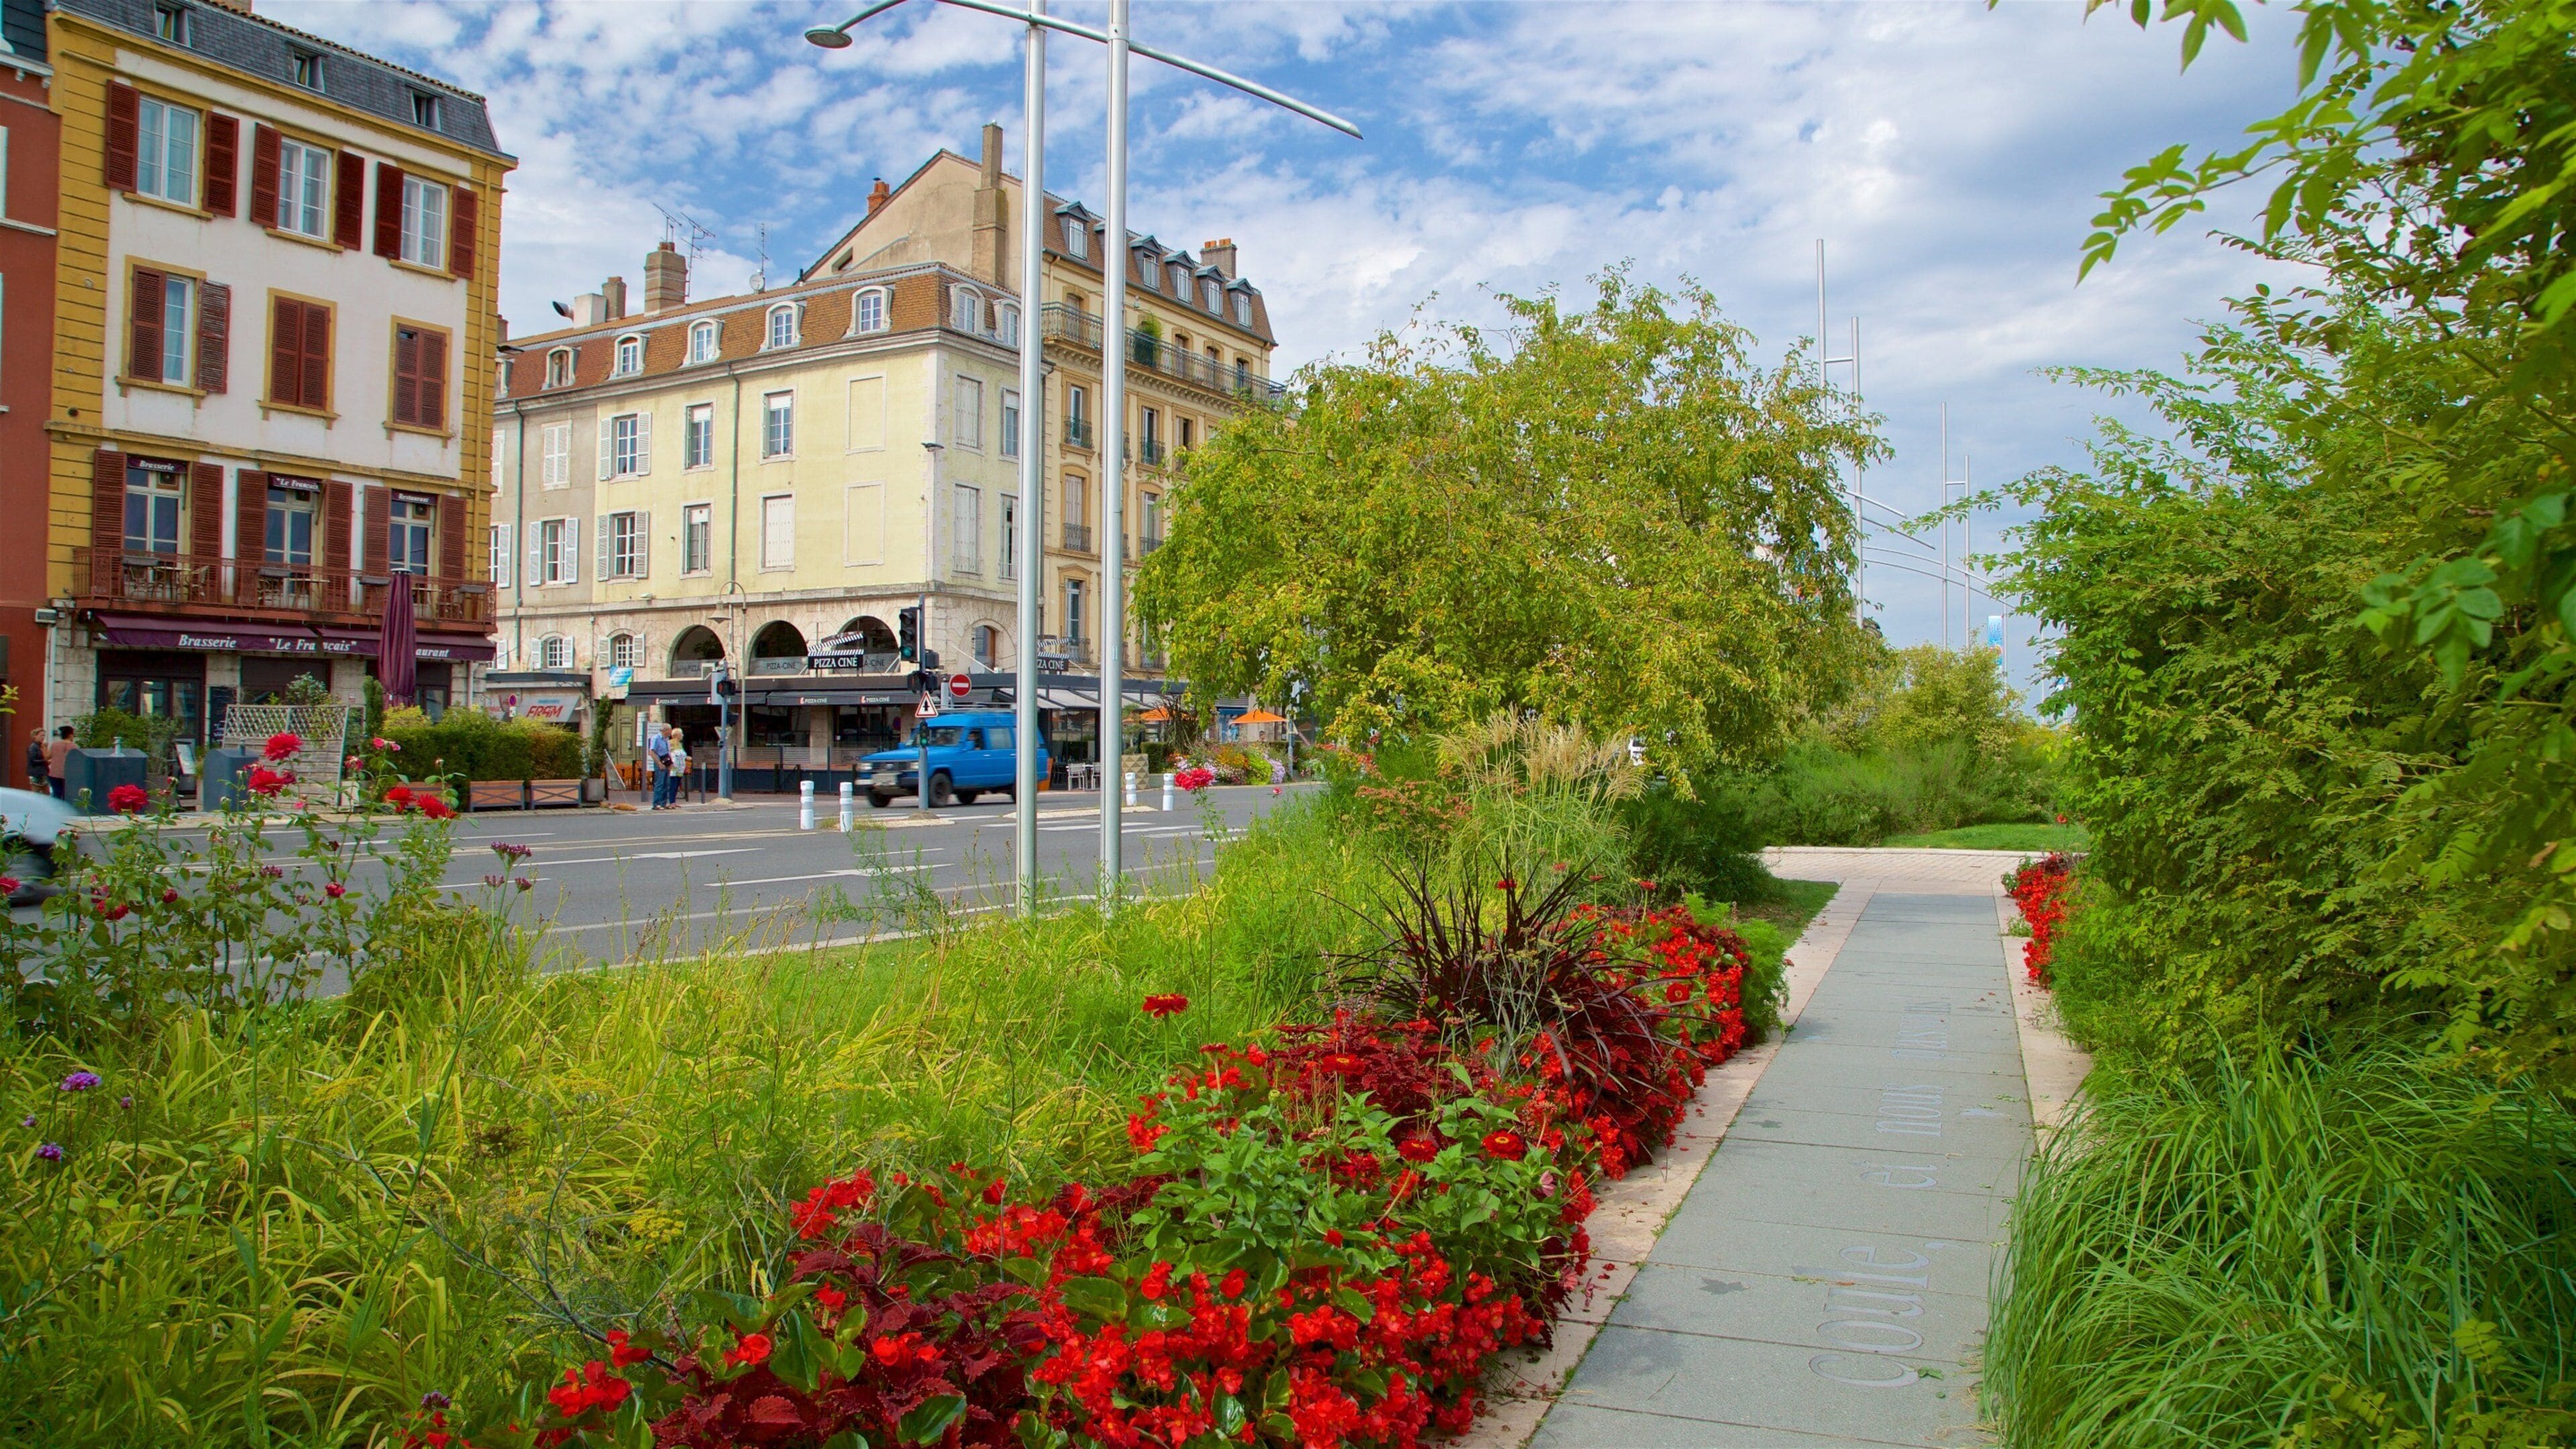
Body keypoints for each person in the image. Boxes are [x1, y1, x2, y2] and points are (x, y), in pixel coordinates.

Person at [645, 722, 672, 811]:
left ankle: (663, 803)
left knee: (666, 784)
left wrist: (670, 763)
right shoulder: (656, 738)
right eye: (669, 730)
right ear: (665, 730)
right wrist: (659, 763)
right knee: (659, 784)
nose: (670, 732)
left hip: (666, 761)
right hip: (659, 761)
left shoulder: (666, 739)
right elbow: (652, 752)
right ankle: (656, 804)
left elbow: (667, 751)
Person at [44, 725, 74, 800]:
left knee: (56, 795)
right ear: (70, 735)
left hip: (54, 774)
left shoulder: (55, 745)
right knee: (67, 796)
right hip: (68, 775)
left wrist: (44, 747)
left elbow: (47, 757)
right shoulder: (74, 747)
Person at [663, 727, 689, 808]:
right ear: (677, 735)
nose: (683, 735)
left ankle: (673, 801)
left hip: (680, 768)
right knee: (673, 785)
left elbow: (682, 755)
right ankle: (671, 802)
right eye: (681, 734)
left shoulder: (680, 744)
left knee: (677, 785)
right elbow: (668, 754)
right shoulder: (670, 743)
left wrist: (687, 758)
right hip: (673, 768)